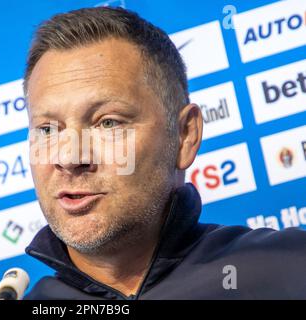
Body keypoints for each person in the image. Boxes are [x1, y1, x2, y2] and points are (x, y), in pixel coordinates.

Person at [22, 7, 306, 299]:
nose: (69, 158)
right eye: (47, 129)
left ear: (185, 136)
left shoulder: (292, 271)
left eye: (108, 122)